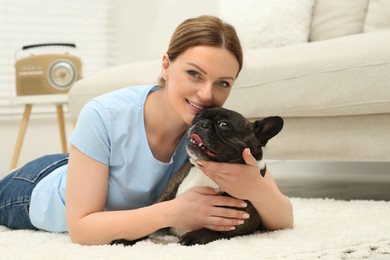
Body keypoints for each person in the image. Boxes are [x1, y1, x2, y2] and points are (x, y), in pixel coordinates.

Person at [0, 15, 293, 245]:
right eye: (194, 74)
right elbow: (82, 229)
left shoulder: (212, 134)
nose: (206, 94)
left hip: (89, 170)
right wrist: (174, 212)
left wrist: (254, 186)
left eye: (223, 83)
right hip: (33, 189)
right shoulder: (104, 114)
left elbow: (284, 217)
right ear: (166, 65)